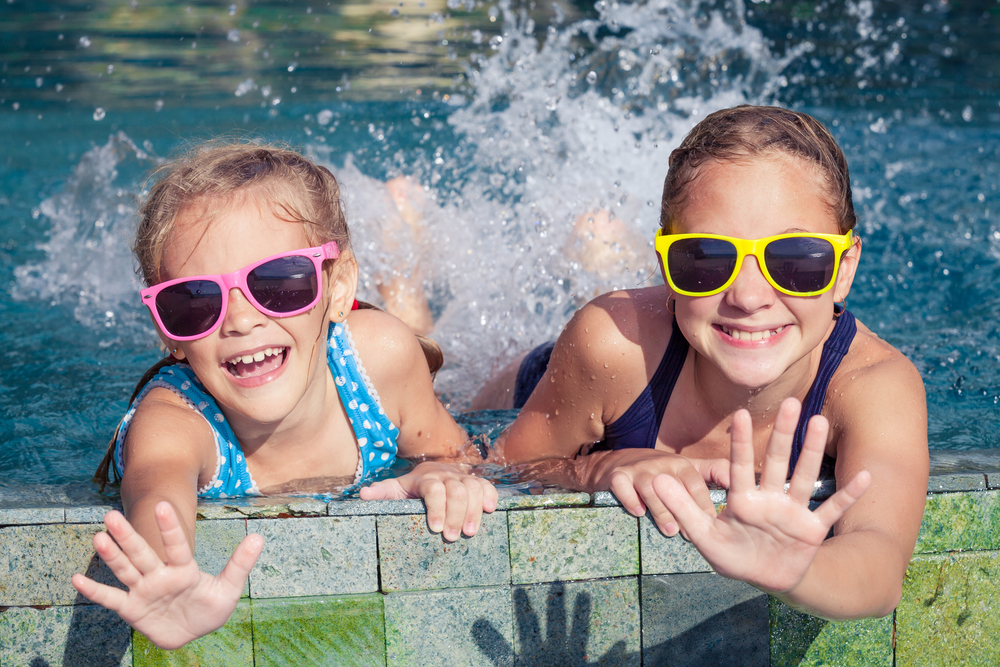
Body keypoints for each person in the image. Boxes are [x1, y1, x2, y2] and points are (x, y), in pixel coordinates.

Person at [482, 105, 928, 620]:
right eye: (706, 258)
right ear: (668, 266)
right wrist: (596, 468)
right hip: (564, 381)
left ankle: (609, 247)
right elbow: (498, 467)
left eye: (795, 260)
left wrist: (797, 571)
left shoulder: (873, 385)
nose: (749, 296)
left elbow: (879, 560)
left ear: (844, 268)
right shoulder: (610, 346)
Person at [72, 143, 497, 649]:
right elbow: (155, 487)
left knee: (426, 340)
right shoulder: (175, 418)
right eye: (195, 300)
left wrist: (442, 473)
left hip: (361, 340)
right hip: (313, 339)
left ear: (336, 286)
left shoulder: (378, 356)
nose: (240, 320)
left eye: (278, 281)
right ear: (169, 334)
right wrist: (166, 572)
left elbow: (463, 455)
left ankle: (401, 244)